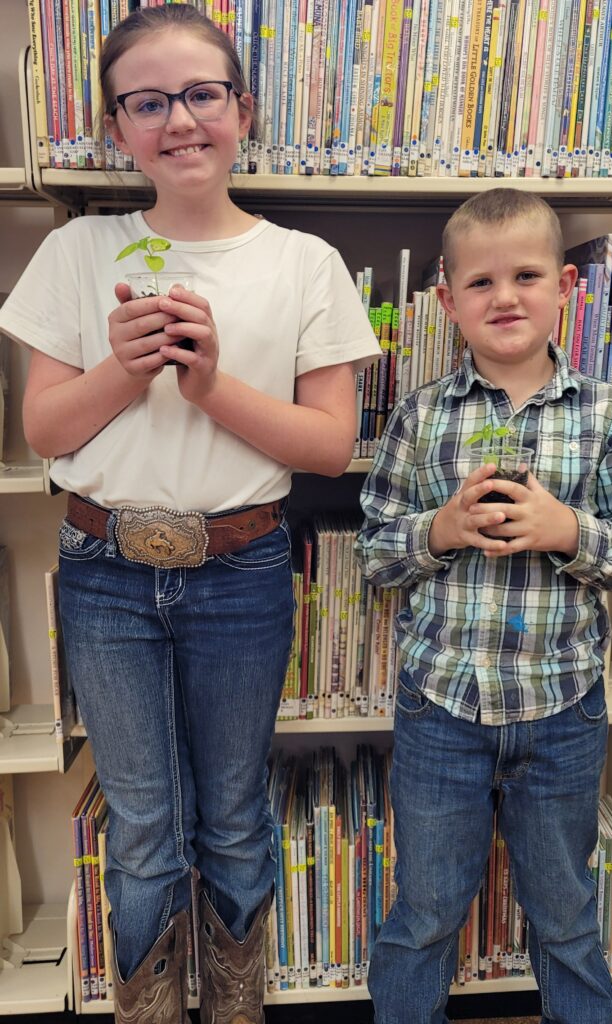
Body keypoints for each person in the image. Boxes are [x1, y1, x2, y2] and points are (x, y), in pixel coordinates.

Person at [0, 6, 379, 1023]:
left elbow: (330, 445)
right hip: (105, 569)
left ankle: (239, 1005)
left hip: (242, 569)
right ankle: (150, 1010)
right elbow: (43, 427)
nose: (179, 120)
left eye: (202, 94)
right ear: (117, 127)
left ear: (242, 110)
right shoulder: (79, 251)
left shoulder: (301, 263)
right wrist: (125, 371)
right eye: (148, 101)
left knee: (236, 818)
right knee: (140, 823)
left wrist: (211, 385)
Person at [355, 188, 612, 1024]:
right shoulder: (422, 417)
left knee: (566, 916)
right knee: (424, 913)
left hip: (562, 713)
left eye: (527, 275)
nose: (505, 297)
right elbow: (376, 554)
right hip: (442, 713)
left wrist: (569, 530)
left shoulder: (609, 415)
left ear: (566, 285)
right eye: (481, 282)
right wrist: (444, 527)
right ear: (447, 298)